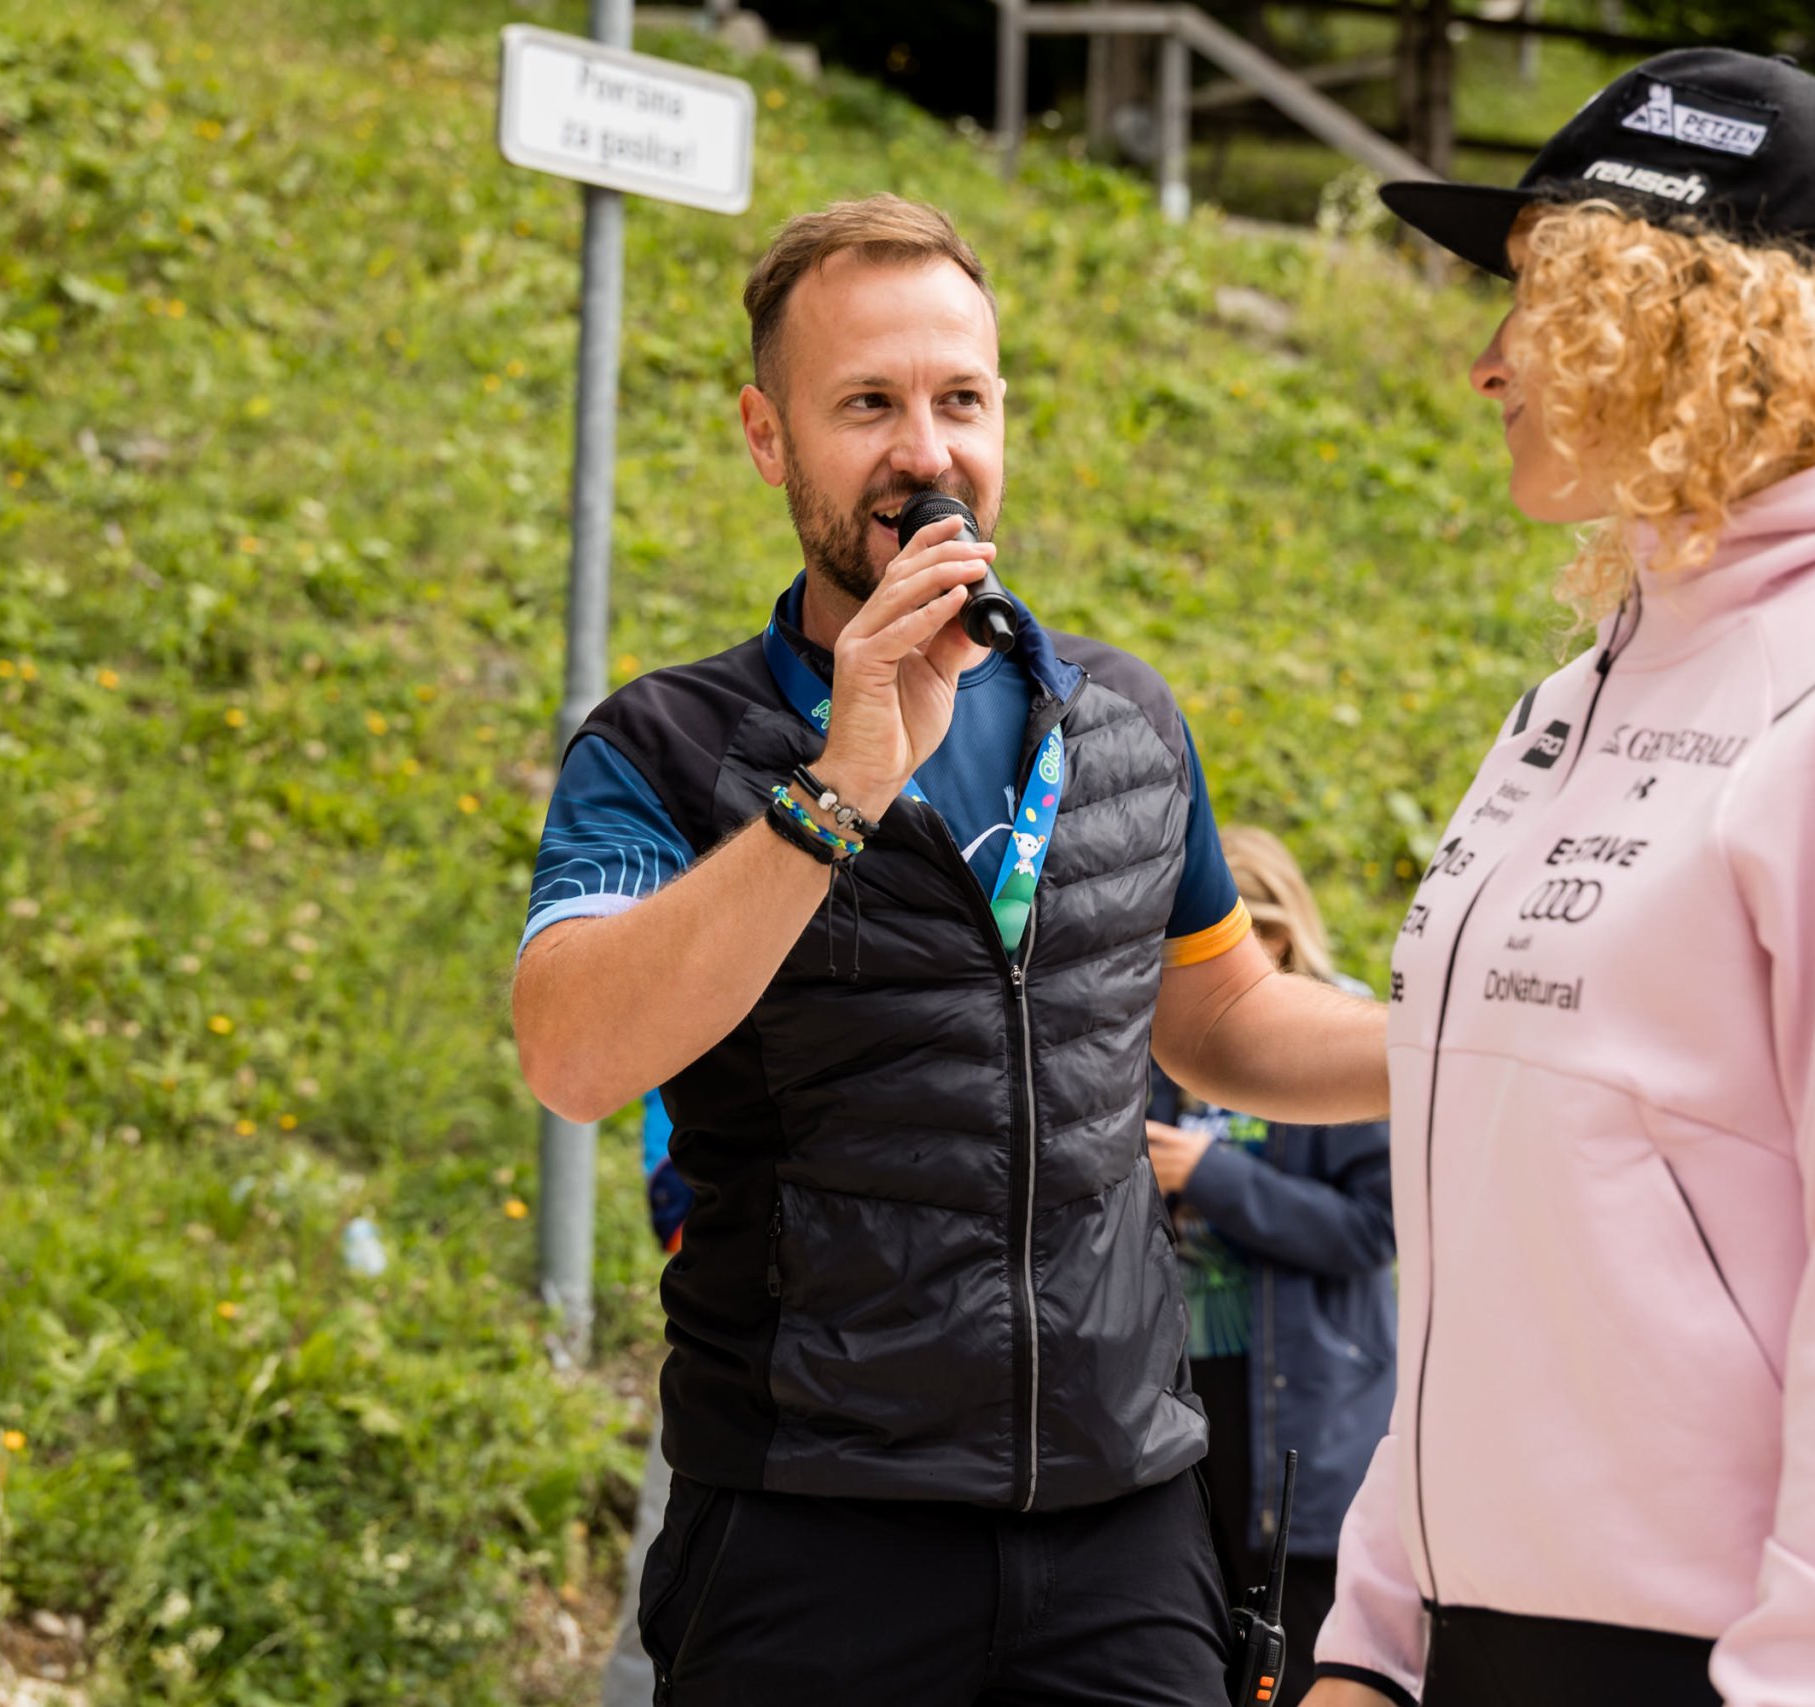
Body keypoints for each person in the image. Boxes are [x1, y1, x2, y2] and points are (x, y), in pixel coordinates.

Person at [1302, 50, 1815, 1707]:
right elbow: (1498, 1219)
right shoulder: (1591, 687)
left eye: (1541, 296)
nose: (1491, 361)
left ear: (1689, 316)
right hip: (1485, 1647)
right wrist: (1380, 1638)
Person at [510, 194, 1387, 1705]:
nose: (926, 451)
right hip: (811, 1526)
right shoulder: (666, 744)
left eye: (960, 400)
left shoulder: (1121, 719)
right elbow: (574, 1054)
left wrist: (1481, 1032)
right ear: (768, 436)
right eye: (867, 404)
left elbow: (1225, 1019)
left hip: (1121, 1521)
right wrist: (835, 789)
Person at [1145, 826, 1396, 1679]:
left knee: (1298, 1656)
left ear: (1278, 935)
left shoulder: (1343, 1040)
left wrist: (1210, 1176)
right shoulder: (1162, 1036)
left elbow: (1373, 1231)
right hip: (1184, 1398)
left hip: (1301, 1404)